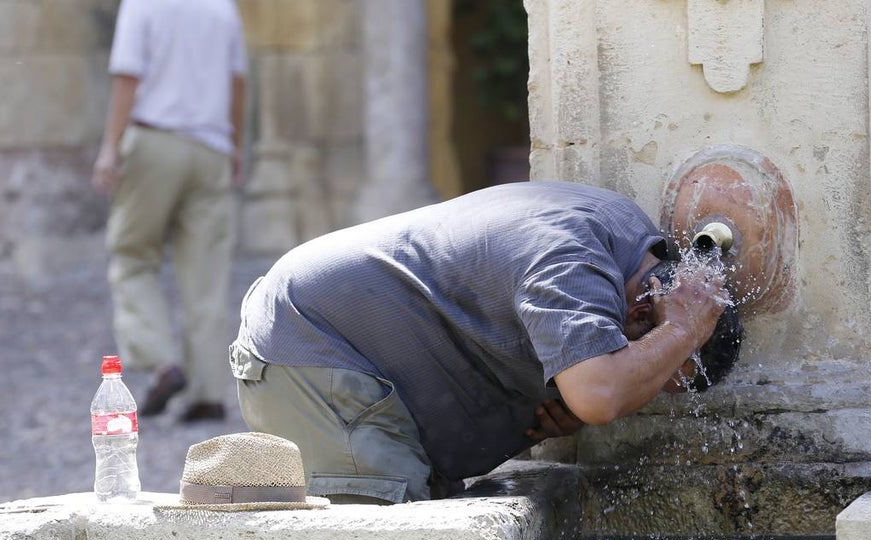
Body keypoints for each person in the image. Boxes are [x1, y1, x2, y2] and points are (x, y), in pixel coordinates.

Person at [230, 181, 742, 505]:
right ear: (640, 312)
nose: (644, 384)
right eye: (649, 358)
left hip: (338, 350)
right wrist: (683, 331)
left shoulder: (626, 242)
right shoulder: (572, 260)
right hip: (312, 345)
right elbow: (601, 395)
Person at [91, 0, 248, 422]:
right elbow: (237, 83)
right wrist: (234, 144)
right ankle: (209, 392)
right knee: (207, 275)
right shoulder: (223, 10)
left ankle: (161, 361)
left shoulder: (143, 4)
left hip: (155, 143)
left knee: (132, 255)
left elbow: (128, 76)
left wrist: (110, 146)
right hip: (212, 149)